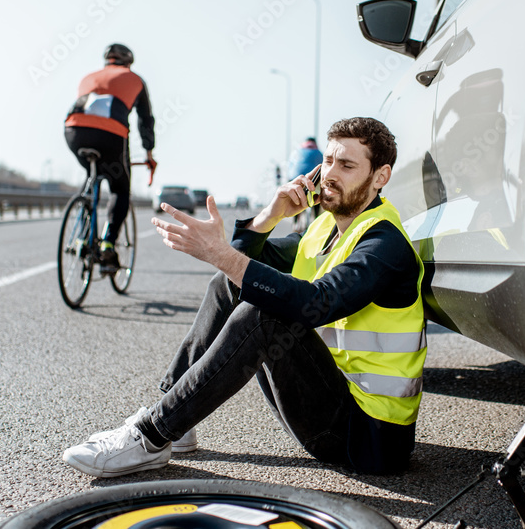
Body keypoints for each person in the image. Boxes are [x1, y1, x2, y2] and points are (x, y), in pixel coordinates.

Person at [62, 117, 425, 478]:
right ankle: (174, 416)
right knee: (231, 282)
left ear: (380, 177)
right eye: (327, 161)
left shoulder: (385, 243)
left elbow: (319, 302)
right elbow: (241, 270)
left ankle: (151, 436)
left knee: (263, 317)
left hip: (369, 438)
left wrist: (220, 253)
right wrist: (271, 215)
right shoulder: (324, 230)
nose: (330, 173)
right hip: (328, 404)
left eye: (346, 165)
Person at [64, 43, 155, 273]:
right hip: (111, 135)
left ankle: (82, 237)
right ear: (128, 63)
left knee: (92, 175)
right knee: (120, 189)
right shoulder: (135, 79)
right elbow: (145, 120)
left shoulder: (89, 77)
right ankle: (107, 243)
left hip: (74, 131)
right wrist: (149, 153)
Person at [288, 137, 323, 233]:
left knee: (297, 200)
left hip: (296, 177)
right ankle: (315, 219)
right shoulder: (319, 152)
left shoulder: (297, 152)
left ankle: (295, 222)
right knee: (316, 198)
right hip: (312, 179)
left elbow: (290, 167)